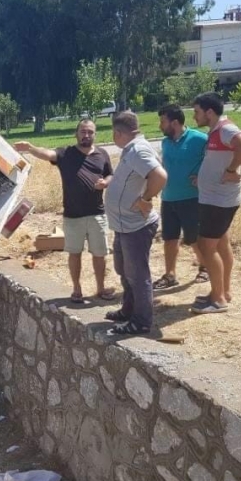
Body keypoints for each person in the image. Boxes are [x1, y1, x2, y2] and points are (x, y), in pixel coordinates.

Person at [14, 119, 115, 303]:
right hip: (73, 215)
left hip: (97, 213)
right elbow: (48, 154)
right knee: (74, 253)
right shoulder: (66, 153)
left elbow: (110, 173)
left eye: (90, 132)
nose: (86, 135)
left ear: (95, 134)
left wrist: (106, 182)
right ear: (76, 134)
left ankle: (101, 288)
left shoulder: (102, 154)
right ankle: (77, 289)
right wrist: (31, 148)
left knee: (100, 253)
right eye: (83, 132)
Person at [103, 111, 167, 335]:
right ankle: (128, 310)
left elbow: (160, 176)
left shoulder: (138, 150)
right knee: (124, 270)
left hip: (136, 226)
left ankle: (141, 321)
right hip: (123, 225)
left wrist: (145, 199)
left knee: (138, 275)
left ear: (118, 132)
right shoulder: (131, 149)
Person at [190, 92, 241, 314]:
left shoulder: (225, 128)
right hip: (214, 198)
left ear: (209, 112)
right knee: (220, 245)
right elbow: (217, 160)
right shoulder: (216, 131)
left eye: (196, 112)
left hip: (220, 200)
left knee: (206, 246)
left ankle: (218, 300)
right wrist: (203, 178)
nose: (194, 117)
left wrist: (231, 170)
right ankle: (222, 291)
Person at [153, 105, 208, 290]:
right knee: (169, 238)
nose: (160, 126)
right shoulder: (165, 143)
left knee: (194, 237)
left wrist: (202, 175)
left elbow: (213, 160)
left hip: (191, 198)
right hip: (168, 198)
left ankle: (205, 267)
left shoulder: (199, 139)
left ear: (174, 123)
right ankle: (170, 275)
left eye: (163, 121)